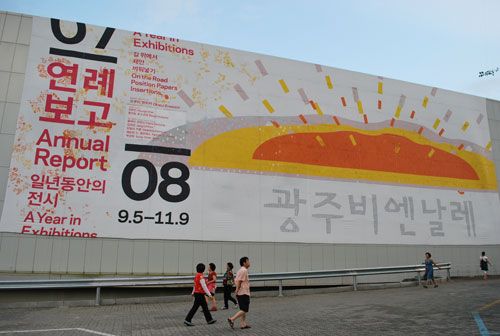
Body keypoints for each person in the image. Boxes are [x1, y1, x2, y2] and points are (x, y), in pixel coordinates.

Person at [228, 257, 251, 329]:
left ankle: (243, 324)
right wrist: (237, 290)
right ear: (244, 263)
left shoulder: (240, 270)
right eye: (248, 261)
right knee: (244, 309)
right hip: (243, 292)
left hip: (242, 292)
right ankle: (232, 319)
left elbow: (237, 280)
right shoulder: (244, 270)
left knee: (243, 309)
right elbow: (240, 281)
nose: (249, 262)